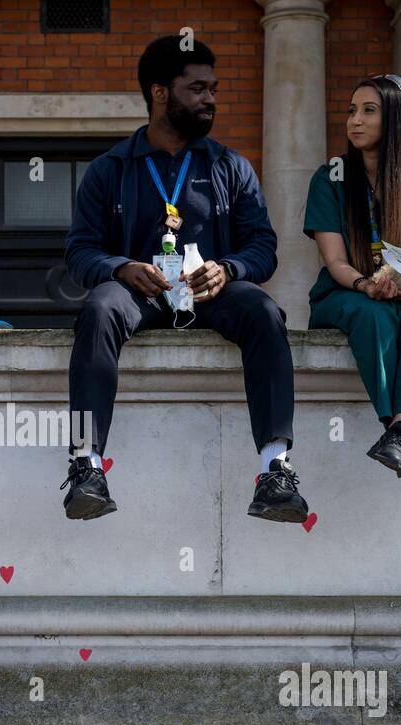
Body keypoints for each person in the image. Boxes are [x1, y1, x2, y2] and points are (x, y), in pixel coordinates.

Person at [61, 35, 310, 524]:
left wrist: (230, 269)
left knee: (262, 310)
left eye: (214, 89)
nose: (210, 99)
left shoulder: (230, 167)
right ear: (160, 93)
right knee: (99, 307)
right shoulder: (109, 170)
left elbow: (263, 246)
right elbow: (79, 251)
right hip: (141, 294)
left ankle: (275, 469)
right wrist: (120, 268)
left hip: (210, 294)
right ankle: (86, 465)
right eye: (197, 88)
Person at [303, 74, 401, 477]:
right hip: (345, 293)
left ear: (394, 119)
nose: (355, 121)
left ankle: (397, 431)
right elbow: (336, 261)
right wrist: (365, 283)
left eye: (368, 111)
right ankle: (400, 430)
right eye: (352, 111)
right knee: (371, 313)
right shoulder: (330, 178)